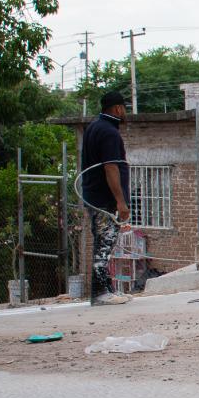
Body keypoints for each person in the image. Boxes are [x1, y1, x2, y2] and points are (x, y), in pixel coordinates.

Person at [81, 91, 131, 305]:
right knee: (104, 243)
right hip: (104, 198)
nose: (125, 112)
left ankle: (106, 289)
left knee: (104, 242)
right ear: (118, 108)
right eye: (124, 108)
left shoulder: (94, 127)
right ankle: (100, 293)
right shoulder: (109, 132)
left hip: (93, 195)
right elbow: (111, 167)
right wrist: (120, 201)